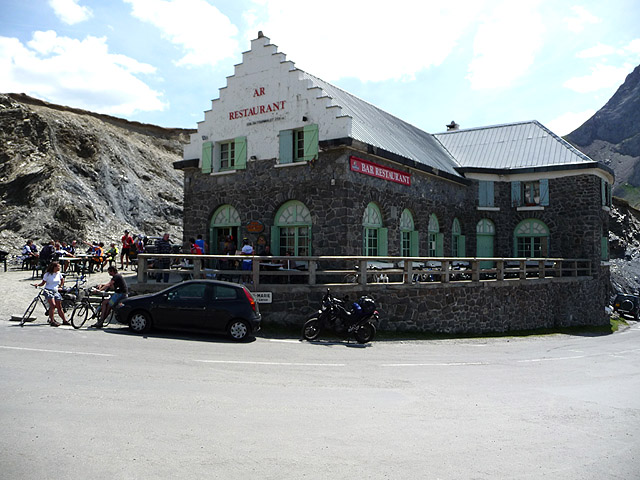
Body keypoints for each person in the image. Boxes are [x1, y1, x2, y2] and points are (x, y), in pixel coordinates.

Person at [32, 261, 69, 327]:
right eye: (58, 266)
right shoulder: (47, 274)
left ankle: (64, 320)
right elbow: (43, 283)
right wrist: (38, 285)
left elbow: (62, 280)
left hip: (56, 291)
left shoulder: (59, 274)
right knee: (53, 305)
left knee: (59, 306)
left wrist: (60, 286)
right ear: (54, 267)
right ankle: (52, 321)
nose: (59, 268)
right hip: (48, 290)